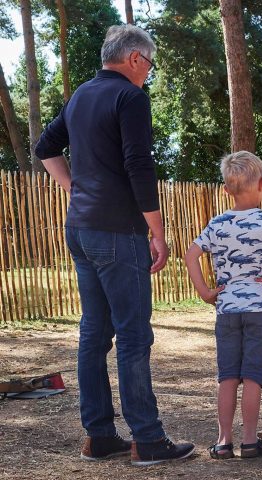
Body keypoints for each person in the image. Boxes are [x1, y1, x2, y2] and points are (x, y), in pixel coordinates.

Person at [35, 24, 195, 465]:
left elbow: (44, 146)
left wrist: (73, 188)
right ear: (136, 59)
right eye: (151, 66)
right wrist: (157, 231)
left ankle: (99, 435)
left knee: (93, 334)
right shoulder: (130, 97)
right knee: (133, 336)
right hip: (119, 231)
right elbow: (138, 164)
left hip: (81, 229)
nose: (149, 74)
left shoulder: (81, 95)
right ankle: (148, 439)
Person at [185, 151, 262, 460]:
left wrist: (206, 292)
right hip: (260, 310)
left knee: (228, 376)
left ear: (225, 190)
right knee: (252, 376)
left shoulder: (217, 224)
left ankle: (222, 441)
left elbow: (190, 256)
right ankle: (249, 441)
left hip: (227, 310)